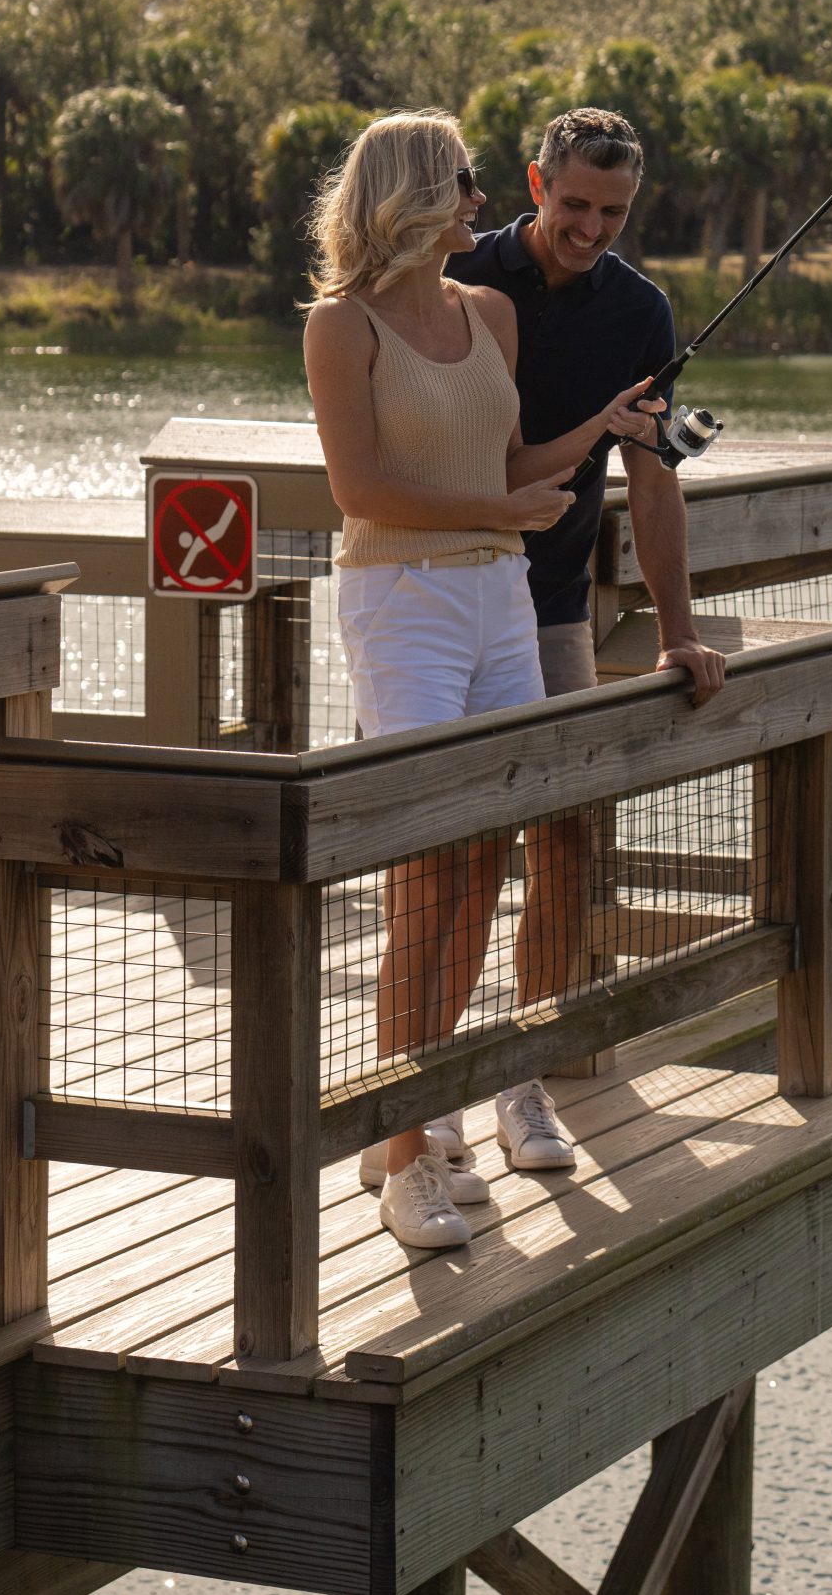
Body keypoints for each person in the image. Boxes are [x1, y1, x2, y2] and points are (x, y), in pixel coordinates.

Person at [303, 110, 664, 1252]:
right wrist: (496, 511)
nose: (479, 203)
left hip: (503, 600)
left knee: (489, 854)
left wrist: (592, 436)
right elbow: (361, 489)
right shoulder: (339, 326)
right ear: (412, 194)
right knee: (427, 865)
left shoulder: (490, 313)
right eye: (462, 183)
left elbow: (505, 465)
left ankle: (414, 1107)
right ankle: (407, 1151)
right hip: (401, 603)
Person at [446, 105, 728, 1020]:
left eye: (612, 214)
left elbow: (654, 480)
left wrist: (679, 635)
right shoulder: (453, 273)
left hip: (554, 605)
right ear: (535, 183)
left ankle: (529, 1067)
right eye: (574, 204)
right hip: (443, 594)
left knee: (568, 835)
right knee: (451, 845)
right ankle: (423, 1080)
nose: (589, 231)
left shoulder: (641, 312)